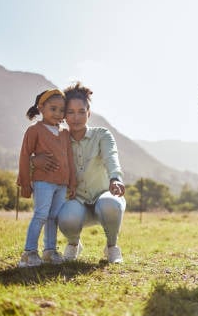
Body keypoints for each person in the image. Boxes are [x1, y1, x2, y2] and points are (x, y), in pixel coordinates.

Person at [32, 83, 126, 264]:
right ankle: (74, 244)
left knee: (110, 204)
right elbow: (36, 156)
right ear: (63, 115)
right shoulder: (58, 138)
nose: (76, 118)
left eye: (81, 112)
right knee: (66, 217)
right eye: (70, 112)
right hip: (76, 201)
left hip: (103, 197)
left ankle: (112, 247)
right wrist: (33, 161)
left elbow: (111, 157)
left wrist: (115, 178)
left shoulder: (102, 135)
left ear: (88, 113)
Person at [17, 89, 76, 267]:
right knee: (41, 215)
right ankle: (29, 252)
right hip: (43, 182)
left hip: (61, 184)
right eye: (53, 109)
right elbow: (25, 156)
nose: (58, 114)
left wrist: (72, 182)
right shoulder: (34, 130)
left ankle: (50, 251)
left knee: (54, 217)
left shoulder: (65, 133)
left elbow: (69, 159)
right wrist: (25, 182)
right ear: (41, 108)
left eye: (61, 110)